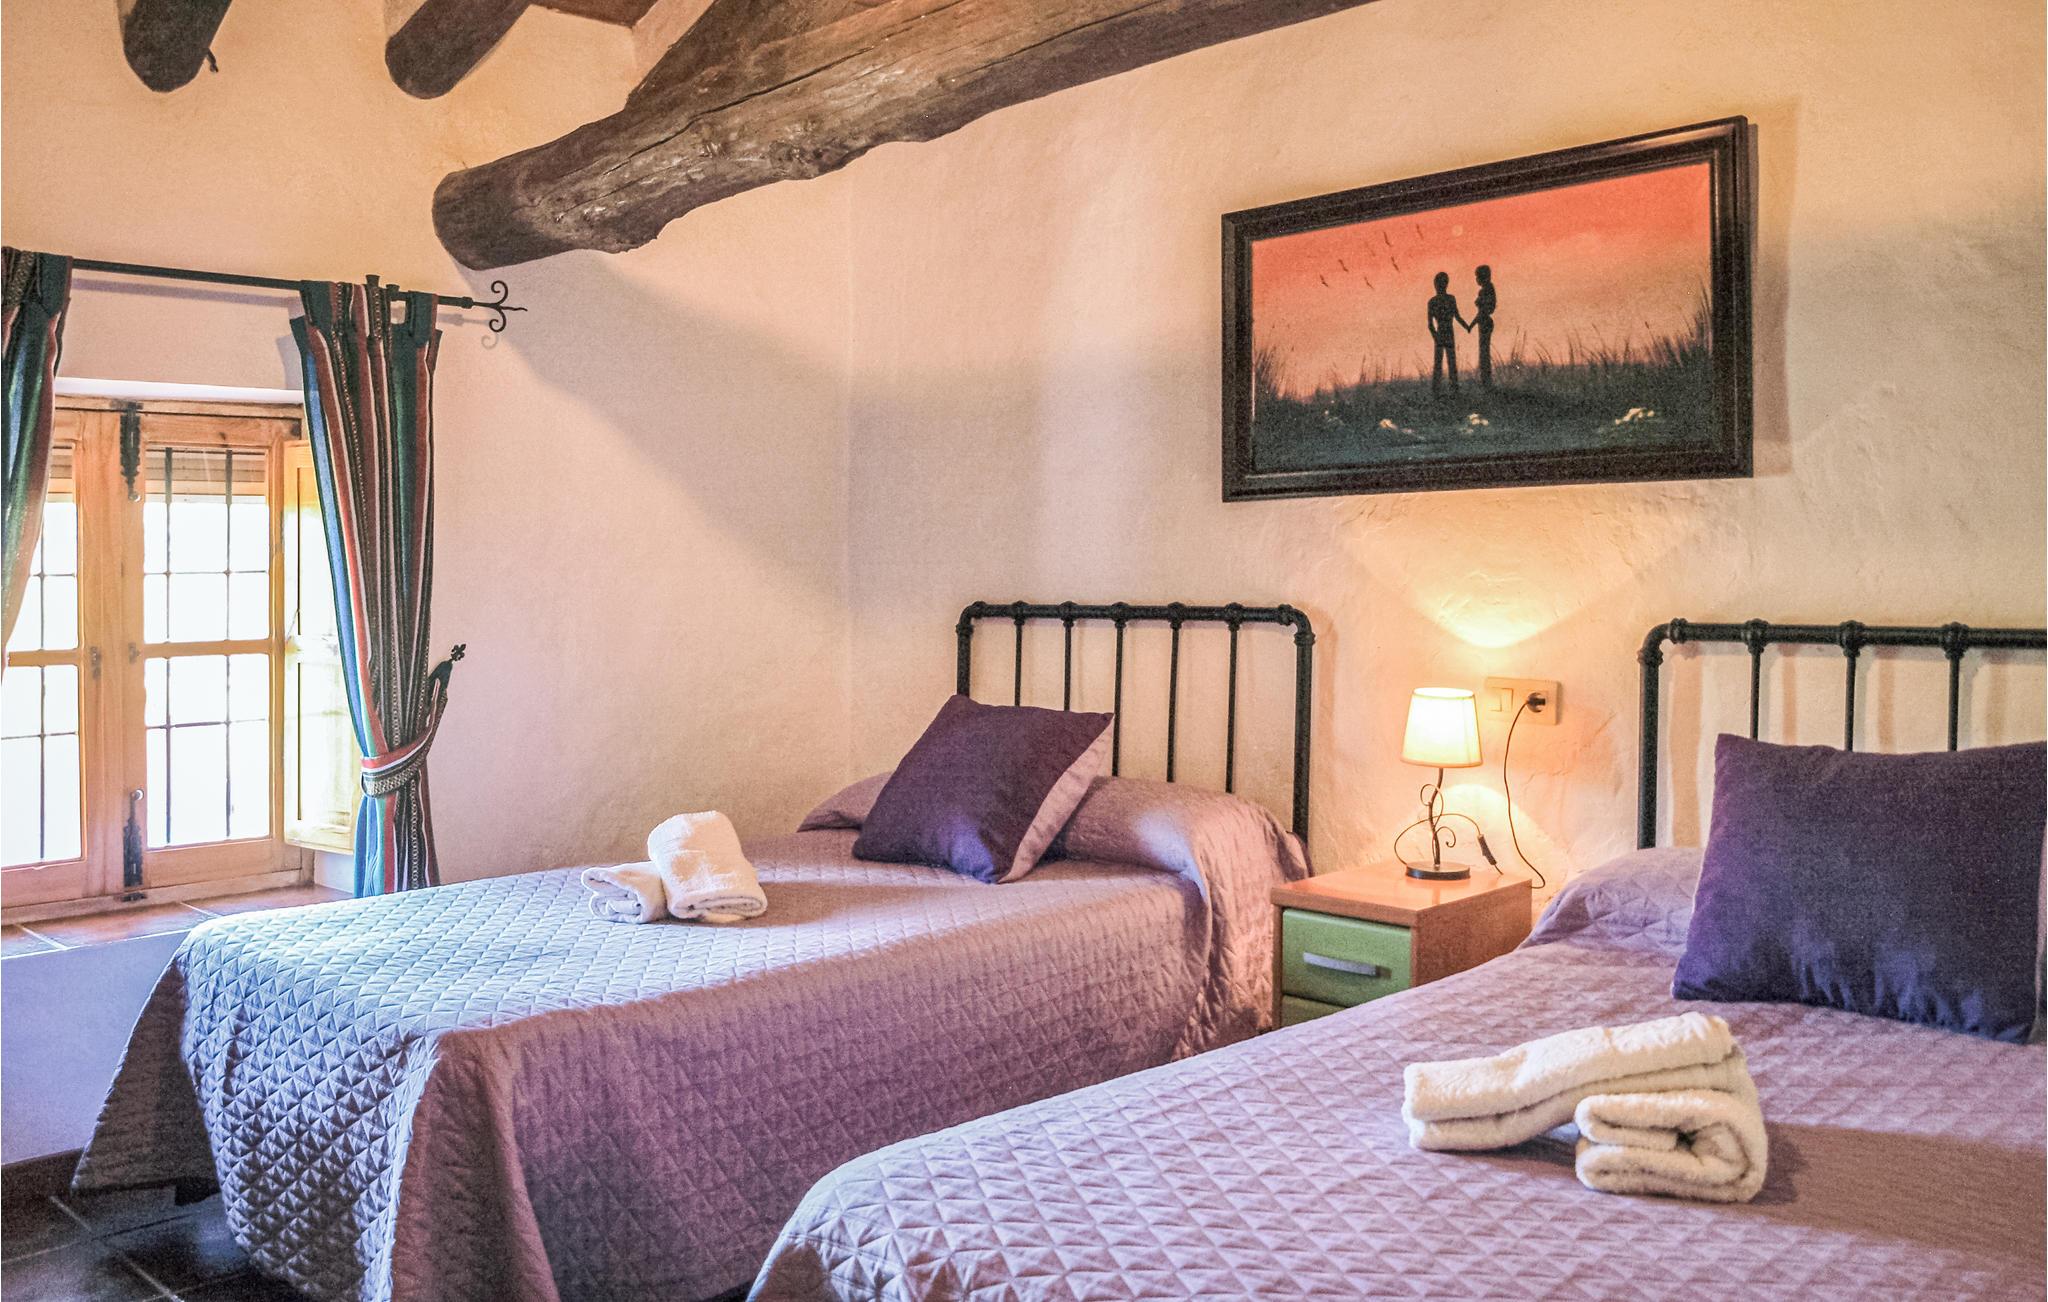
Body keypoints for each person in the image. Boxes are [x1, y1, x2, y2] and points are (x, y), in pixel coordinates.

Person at [1426, 271, 1469, 396]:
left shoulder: (1433, 301)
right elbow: (1457, 317)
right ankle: (1448, 390)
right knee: (1448, 362)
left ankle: (1440, 391)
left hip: (1442, 333)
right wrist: (1467, 326)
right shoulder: (1448, 299)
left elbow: (1431, 325)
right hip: (1447, 333)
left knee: (1442, 363)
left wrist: (1467, 326)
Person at [1469, 264, 1497, 389]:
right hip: (1486, 322)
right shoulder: (1490, 288)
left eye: (1477, 276)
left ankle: (1486, 382)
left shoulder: (1484, 290)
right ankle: (1486, 381)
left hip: (1484, 322)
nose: (1476, 279)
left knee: (1484, 353)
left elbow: (1481, 312)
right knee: (1485, 352)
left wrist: (1471, 325)